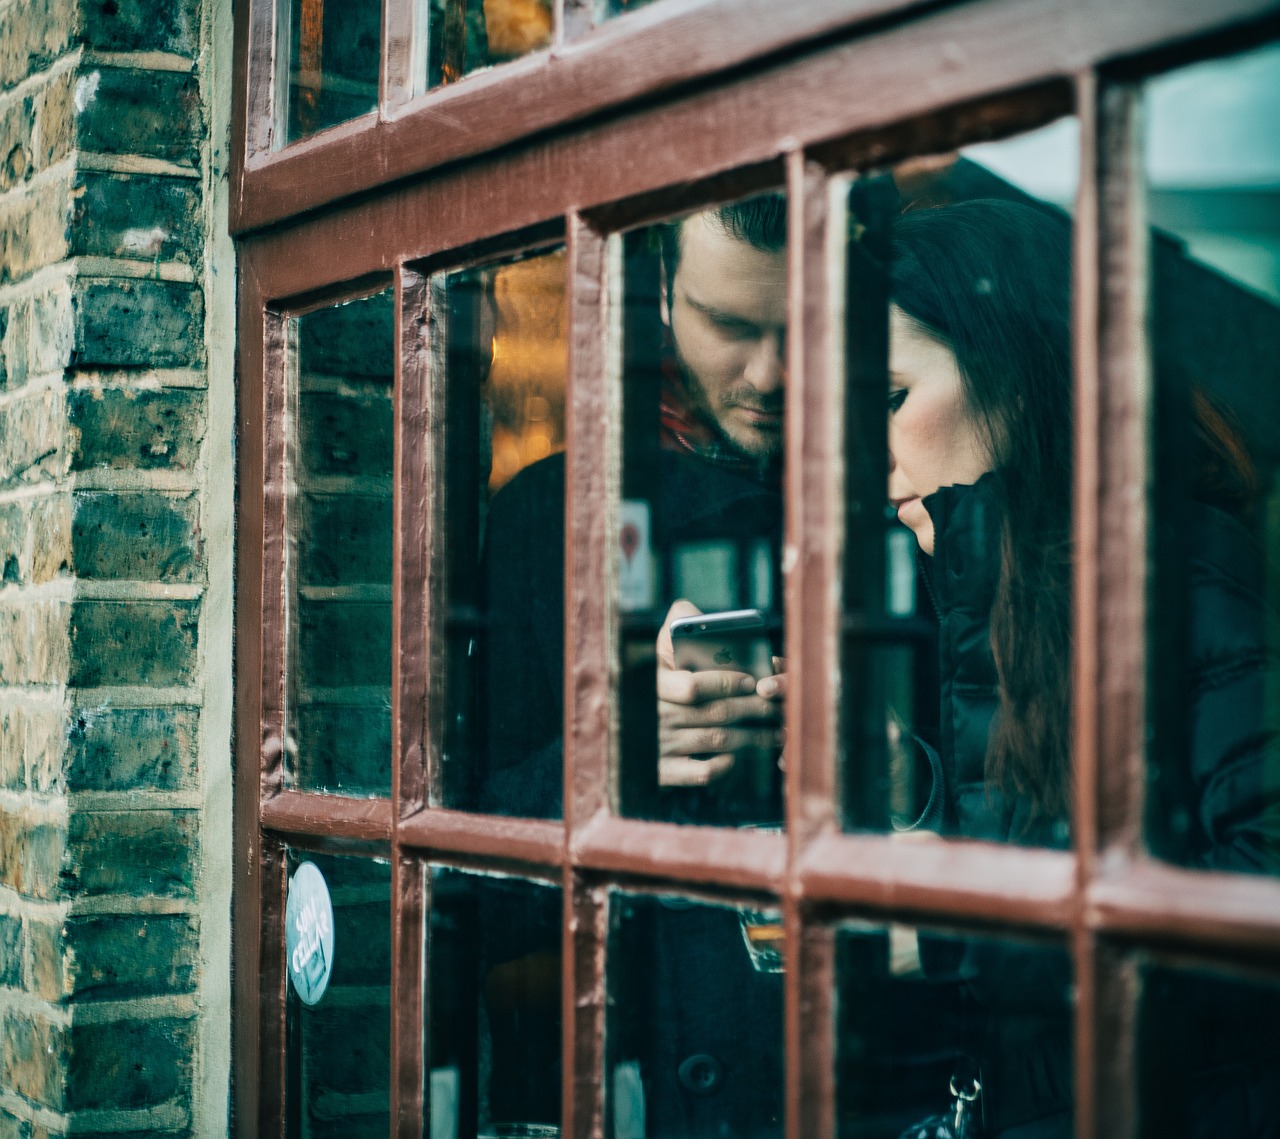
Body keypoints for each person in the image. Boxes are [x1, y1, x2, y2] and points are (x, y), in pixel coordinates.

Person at [884, 198, 1279, 1136]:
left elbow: (1259, 893)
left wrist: (963, 923)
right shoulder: (994, 581)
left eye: (891, 399)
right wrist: (914, 794)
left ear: (1017, 378)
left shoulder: (1176, 567)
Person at [474, 196, 791, 1136]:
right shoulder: (551, 516)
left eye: (798, 326)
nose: (770, 374)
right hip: (619, 1074)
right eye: (731, 325)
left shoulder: (900, 498)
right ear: (660, 291)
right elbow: (464, 895)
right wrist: (618, 748)